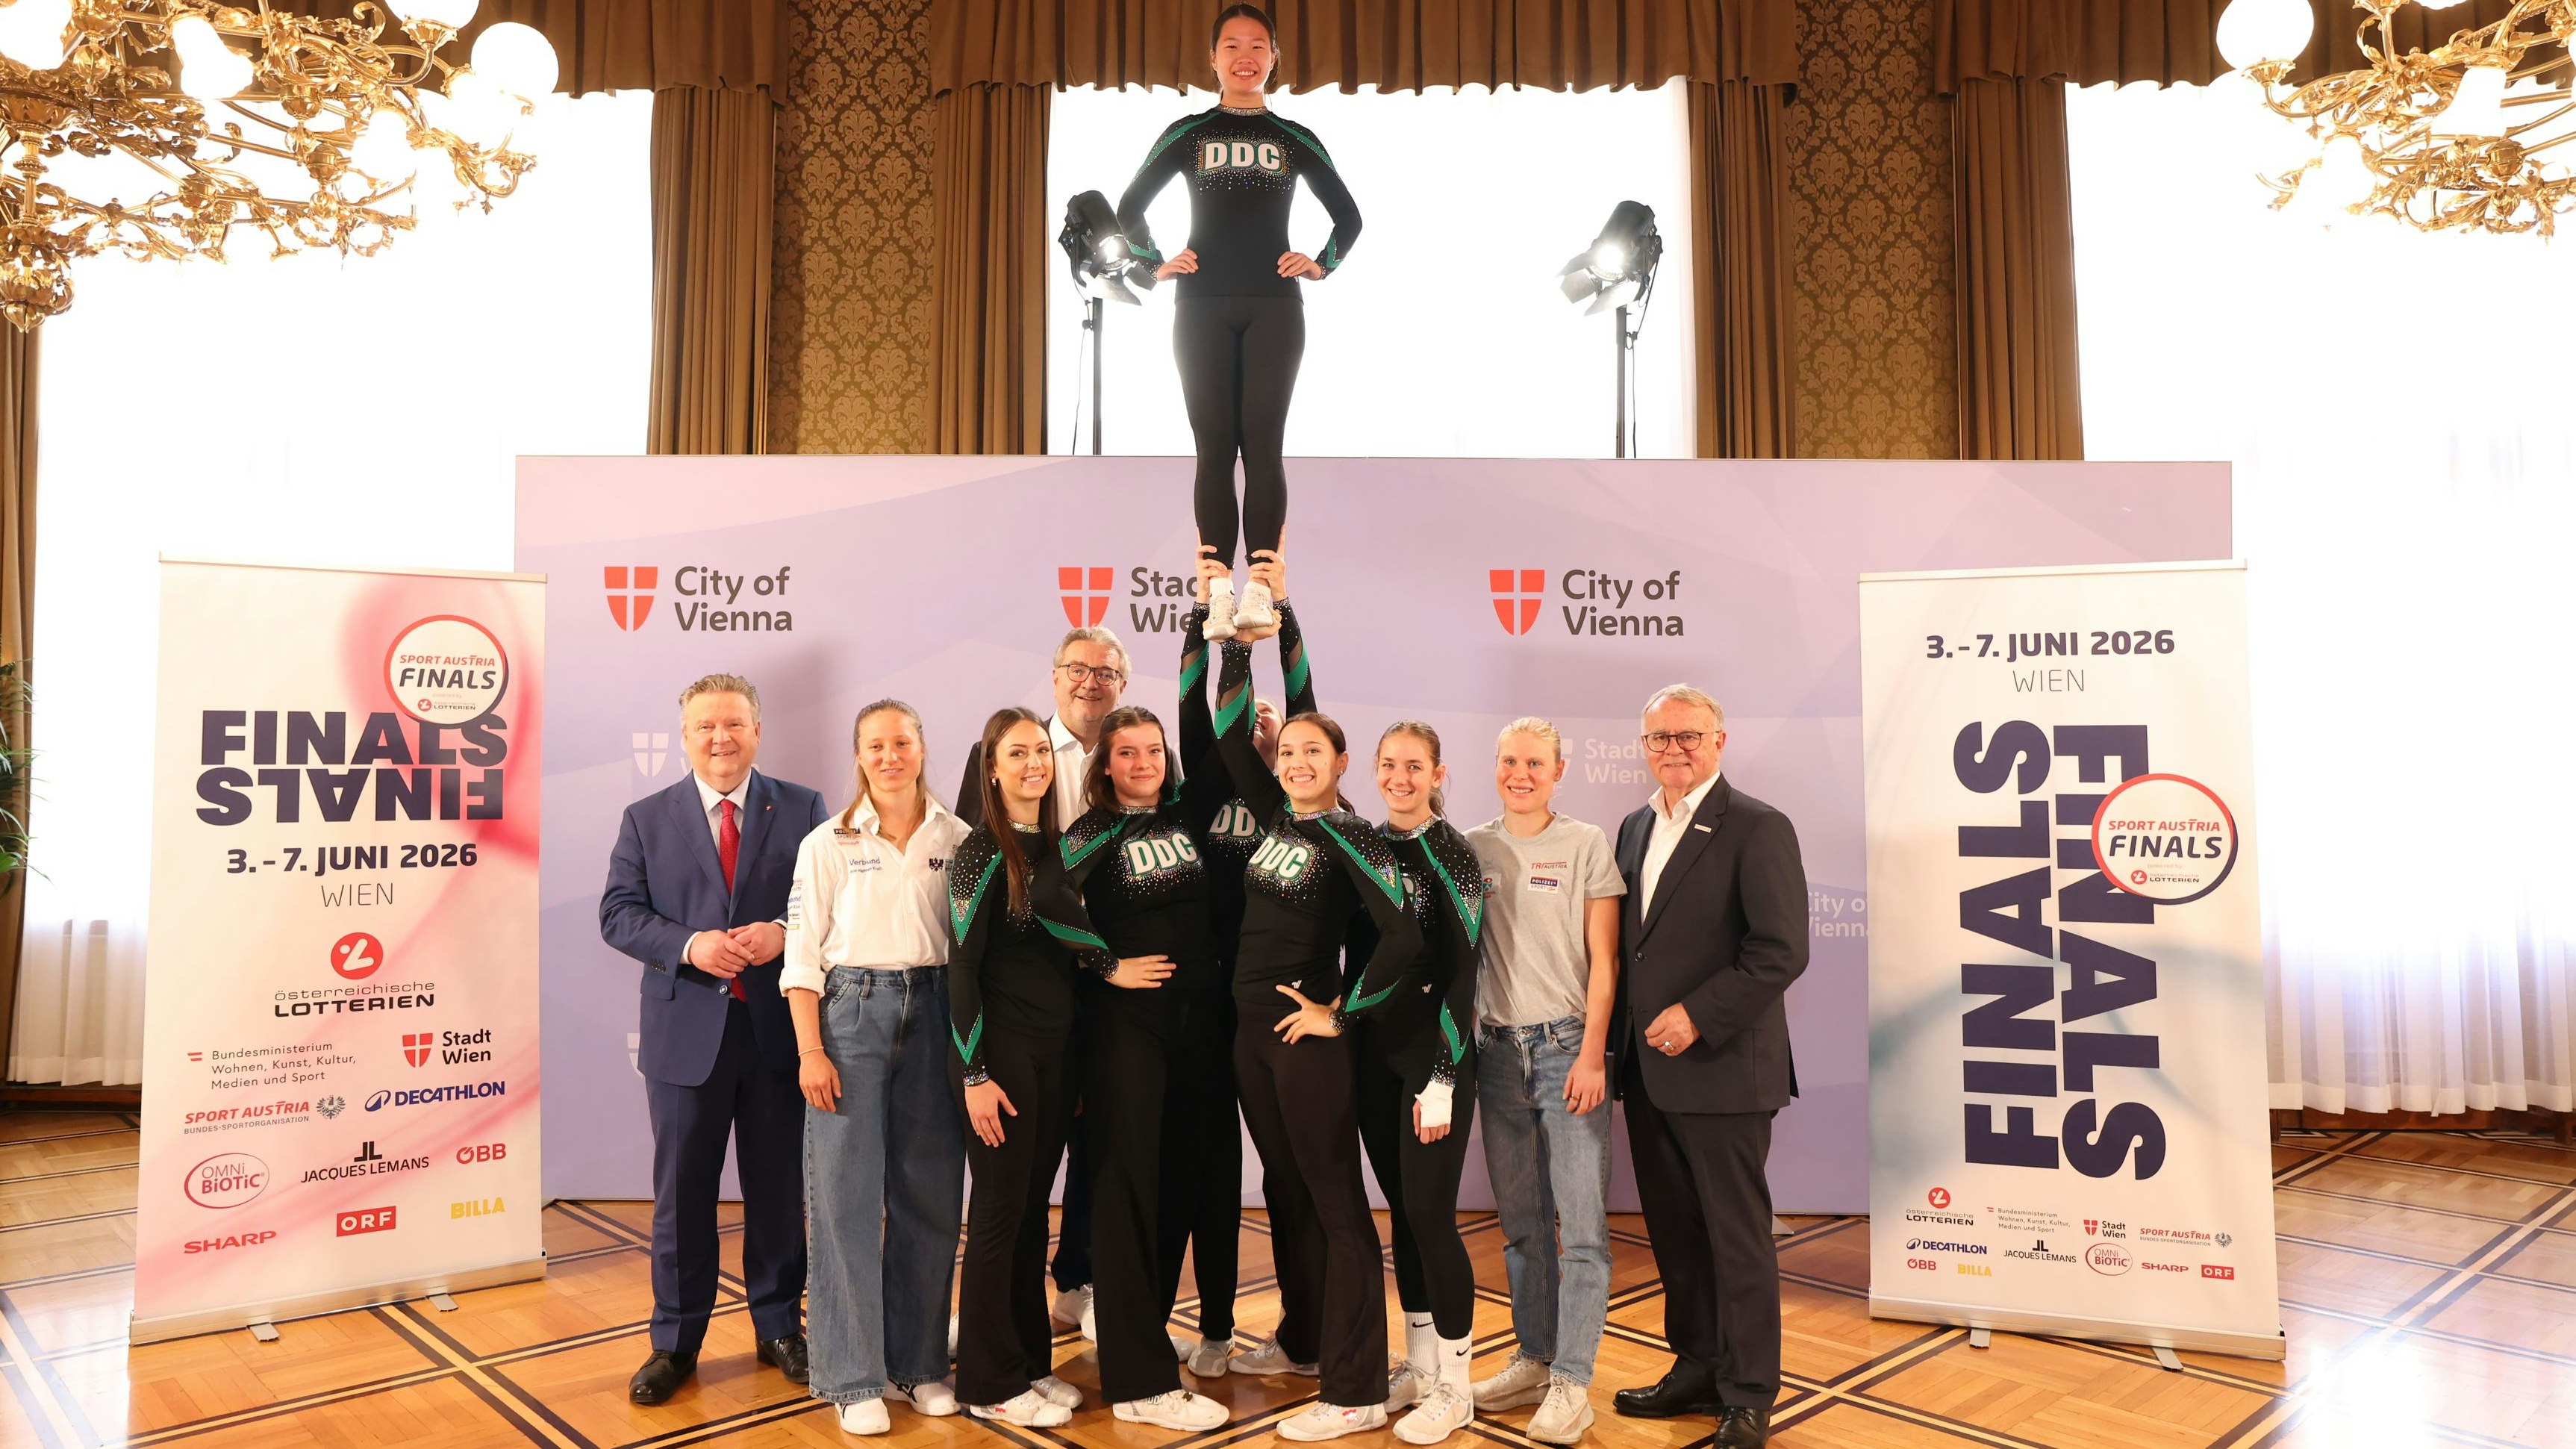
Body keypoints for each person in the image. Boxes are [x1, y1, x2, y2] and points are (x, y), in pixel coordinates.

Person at [1209, 632, 1421, 1442]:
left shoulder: (1351, 835)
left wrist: (1342, 1012)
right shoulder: (1274, 814)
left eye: (1313, 752)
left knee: (1336, 1205)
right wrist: (1236, 645)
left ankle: (1358, 1386)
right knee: (1285, 1191)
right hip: (1249, 1035)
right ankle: (1304, 1344)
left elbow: (1403, 937)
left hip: (1307, 1040)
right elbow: (1231, 735)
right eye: (1289, 750)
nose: (1297, 761)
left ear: (1339, 764)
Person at [599, 673, 829, 1406]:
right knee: (681, 1196)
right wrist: (690, 945)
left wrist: (783, 934)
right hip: (684, 1034)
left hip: (776, 1033)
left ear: (757, 730)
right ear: (685, 736)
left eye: (733, 724)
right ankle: (675, 1341)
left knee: (776, 1188)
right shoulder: (646, 817)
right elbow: (617, 914)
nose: (721, 739)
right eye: (706, 727)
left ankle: (777, 1327)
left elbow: (831, 904)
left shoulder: (802, 808)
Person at [1116, 2, 1361, 641]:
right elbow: (1129, 206)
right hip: (1199, 305)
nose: (1245, 56)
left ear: (1274, 58)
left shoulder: (1293, 137)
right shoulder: (1189, 131)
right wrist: (1153, 263)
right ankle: (1217, 588)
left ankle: (1260, 588)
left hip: (1275, 306)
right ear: (1213, 57)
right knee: (1214, 447)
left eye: (1258, 46)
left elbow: (1349, 217)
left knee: (1263, 445)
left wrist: (1321, 263)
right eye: (1232, 45)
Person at [1609, 686, 1808, 1449]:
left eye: (1687, 736)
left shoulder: (1757, 826)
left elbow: (1780, 950)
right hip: (1648, 1072)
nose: (1672, 750)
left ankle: (1750, 1392)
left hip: (1723, 1068)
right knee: (1677, 1235)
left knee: (1735, 1238)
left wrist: (1698, 1015)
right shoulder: (1632, 828)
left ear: (1719, 740)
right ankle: (1695, 1366)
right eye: (1658, 738)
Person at [780, 699, 972, 1434]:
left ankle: (918, 1365)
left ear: (923, 750)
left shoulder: (957, 839)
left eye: (901, 742)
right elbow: (801, 957)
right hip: (850, 1015)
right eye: (874, 745)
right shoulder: (826, 843)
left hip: (935, 1013)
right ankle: (853, 1375)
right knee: (844, 1200)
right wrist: (810, 1049)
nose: (889, 755)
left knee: (929, 1198)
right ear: (857, 755)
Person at [1055, 705, 1234, 1430]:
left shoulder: (1192, 816)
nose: (1141, 763)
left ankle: (1142, 1343)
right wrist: (1105, 966)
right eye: (1124, 753)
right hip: (1127, 1033)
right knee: (1125, 1190)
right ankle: (1138, 1383)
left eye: (1151, 751)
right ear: (1104, 766)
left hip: (1202, 1032)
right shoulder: (1091, 832)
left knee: (1180, 1187)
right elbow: (1041, 905)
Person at [952, 624, 1129, 1337]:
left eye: (1107, 671)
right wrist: (974, 1064)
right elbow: (980, 896)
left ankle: (1075, 1283)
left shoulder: (1133, 751)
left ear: (1121, 683)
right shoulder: (1002, 775)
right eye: (1077, 669)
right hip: (1014, 986)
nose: (1091, 681)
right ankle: (993, 1324)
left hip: (1089, 983)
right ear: (1055, 677)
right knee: (1008, 1188)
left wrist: (1110, 962)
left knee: (1085, 1146)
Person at [1463, 718, 1626, 1445]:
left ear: (1558, 770)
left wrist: (1593, 1055)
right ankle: (1533, 1357)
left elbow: (1605, 964)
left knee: (1582, 1234)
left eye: (1533, 762)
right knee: (1523, 1229)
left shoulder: (1586, 843)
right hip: (1496, 1056)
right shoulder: (1471, 848)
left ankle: (1572, 1381)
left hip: (1567, 1053)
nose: (1518, 773)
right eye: (1507, 761)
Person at [1172, 549, 1311, 1377]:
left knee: (1293, 1176)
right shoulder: (1194, 790)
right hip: (1202, 1011)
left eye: (1287, 740)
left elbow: (1306, 709)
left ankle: (1305, 1330)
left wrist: (1281, 620)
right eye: (1256, 727)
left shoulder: (1294, 803)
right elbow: (1199, 706)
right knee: (1210, 1173)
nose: (1266, 735)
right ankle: (1217, 1329)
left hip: (1276, 1010)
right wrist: (1207, 619)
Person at [1359, 723, 1489, 1445]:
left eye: (1414, 766)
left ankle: (1457, 1386)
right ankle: (1419, 1364)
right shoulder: (1368, 845)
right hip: (1373, 1057)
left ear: (1438, 772)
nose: (1400, 777)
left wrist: (1441, 1073)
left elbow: (1464, 968)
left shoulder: (1453, 853)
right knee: (1401, 1215)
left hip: (1430, 1060)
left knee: (1432, 1217)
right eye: (1388, 765)